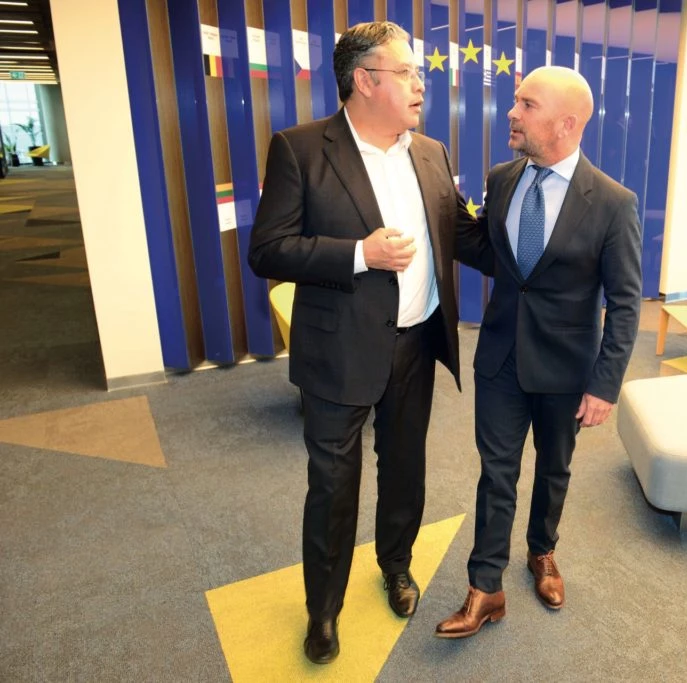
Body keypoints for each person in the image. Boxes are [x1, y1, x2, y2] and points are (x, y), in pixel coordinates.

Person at [248, 21, 486, 665]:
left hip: (416, 344)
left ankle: (396, 565)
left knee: (405, 469)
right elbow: (268, 250)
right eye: (407, 72)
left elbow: (459, 233)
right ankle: (322, 610)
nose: (419, 84)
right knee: (333, 486)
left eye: (417, 73)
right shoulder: (301, 149)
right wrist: (360, 254)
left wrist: (536, 240)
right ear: (364, 80)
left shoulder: (430, 152)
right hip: (338, 350)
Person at [435, 66, 643, 639]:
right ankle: (486, 588)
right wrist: (436, 201)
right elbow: (492, 253)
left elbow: (626, 304)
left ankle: (542, 551)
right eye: (516, 101)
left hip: (567, 369)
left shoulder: (613, 203)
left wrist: (604, 384)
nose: (512, 112)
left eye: (527, 104)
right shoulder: (503, 178)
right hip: (501, 357)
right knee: (496, 473)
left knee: (553, 468)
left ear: (566, 123)